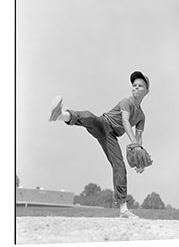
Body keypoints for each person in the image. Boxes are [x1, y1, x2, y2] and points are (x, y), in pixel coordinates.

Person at [49, 71, 149, 218]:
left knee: (119, 166)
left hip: (111, 136)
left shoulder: (141, 116)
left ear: (147, 91)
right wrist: (134, 144)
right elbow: (125, 122)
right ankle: (61, 115)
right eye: (134, 85)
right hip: (103, 123)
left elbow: (139, 136)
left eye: (140, 86)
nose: (135, 87)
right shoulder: (126, 102)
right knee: (89, 116)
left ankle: (123, 210)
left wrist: (140, 160)